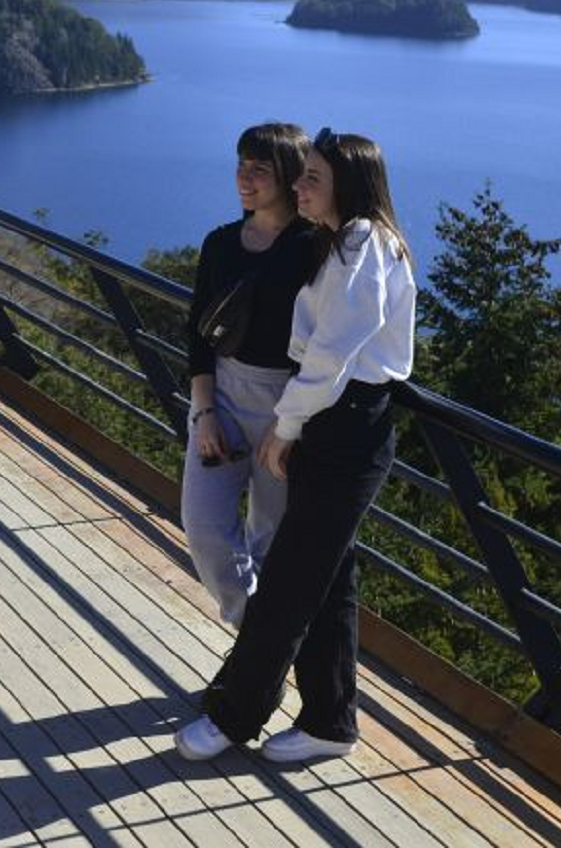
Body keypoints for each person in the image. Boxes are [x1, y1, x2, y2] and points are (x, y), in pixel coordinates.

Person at [175, 128, 416, 767]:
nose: (300, 185)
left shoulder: (362, 244)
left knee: (287, 582)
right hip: (337, 423)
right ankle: (331, 721)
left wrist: (284, 426)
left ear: (347, 185)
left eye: (312, 177)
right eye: (302, 174)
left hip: (342, 425)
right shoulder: (346, 243)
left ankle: (235, 714)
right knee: (328, 582)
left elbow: (334, 351)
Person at [181, 123, 315, 627]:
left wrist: (294, 423)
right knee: (204, 525)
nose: (245, 177)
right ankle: (254, 631)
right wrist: (205, 411)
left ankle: (256, 664)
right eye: (241, 163)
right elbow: (198, 335)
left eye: (260, 168)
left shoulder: (314, 247)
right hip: (225, 394)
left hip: (289, 404)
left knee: (271, 540)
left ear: (289, 175)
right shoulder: (220, 244)